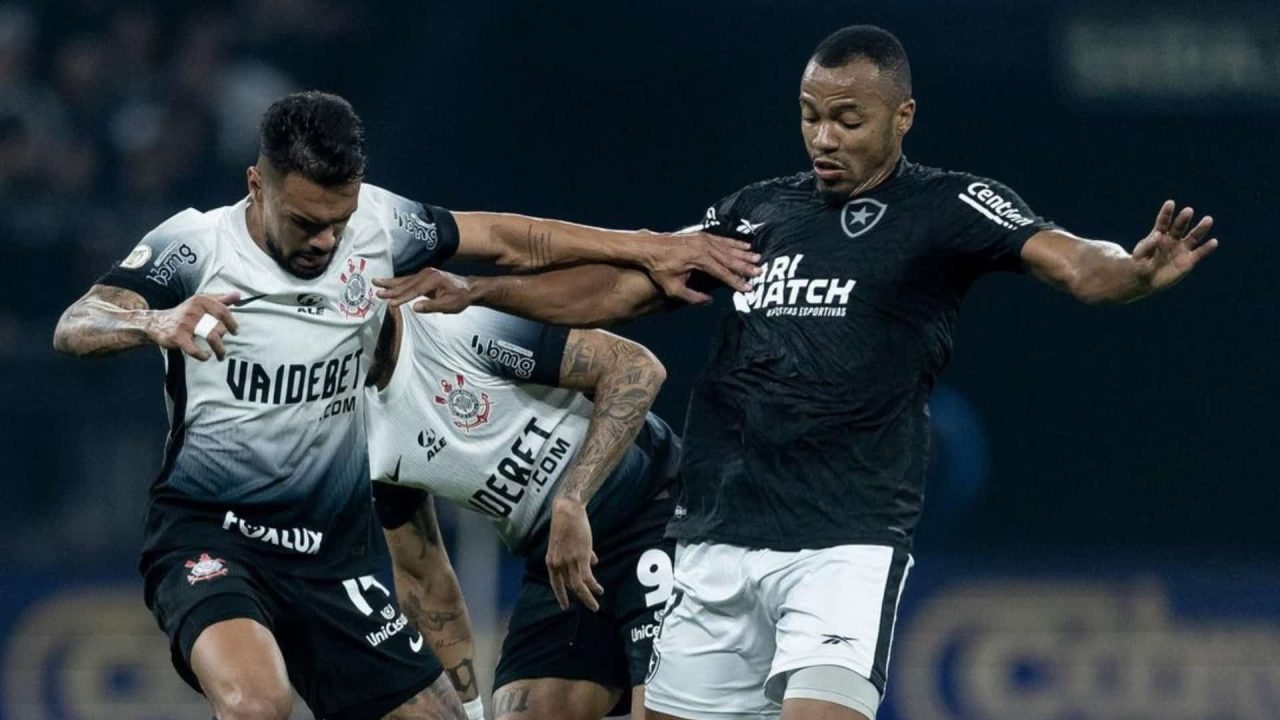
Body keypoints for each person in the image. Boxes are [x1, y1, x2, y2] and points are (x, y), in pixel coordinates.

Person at [394, 25, 1219, 720]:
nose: (825, 138)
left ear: (903, 118)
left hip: (843, 540)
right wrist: (481, 290)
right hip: (714, 533)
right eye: (810, 116)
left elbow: (1074, 263)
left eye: (849, 121)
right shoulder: (761, 211)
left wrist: (1132, 273)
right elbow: (625, 286)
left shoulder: (947, 207)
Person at [51, 90, 754, 720]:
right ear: (255, 184)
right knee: (257, 702)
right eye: (305, 222)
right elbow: (76, 323)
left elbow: (511, 240)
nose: (326, 243)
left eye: (340, 222)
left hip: (331, 561)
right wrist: (155, 323)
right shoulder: (194, 245)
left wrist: (652, 245)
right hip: (216, 533)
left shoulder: (388, 239)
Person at [364, 300, 680, 720]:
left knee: (665, 711)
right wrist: (470, 712)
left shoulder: (458, 323)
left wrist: (572, 498)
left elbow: (636, 368)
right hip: (557, 561)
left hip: (652, 507)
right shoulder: (367, 436)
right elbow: (422, 579)